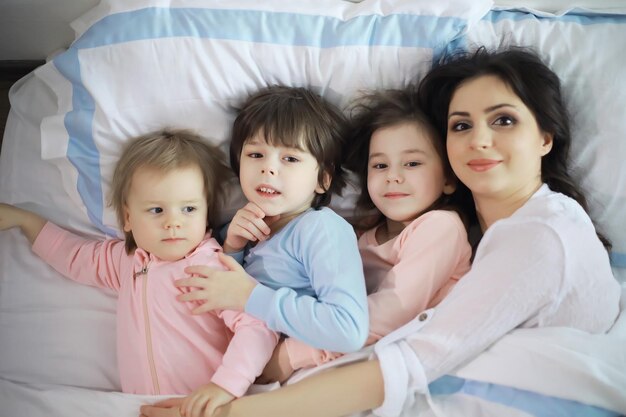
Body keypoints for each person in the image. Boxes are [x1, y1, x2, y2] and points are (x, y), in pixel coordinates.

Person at [140, 48, 621, 417]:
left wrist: (244, 400)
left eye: (504, 120)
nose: (478, 139)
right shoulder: (408, 234)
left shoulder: (540, 236)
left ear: (545, 137)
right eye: (460, 124)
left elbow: (410, 355)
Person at [0, 129, 279, 416]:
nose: (173, 223)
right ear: (129, 217)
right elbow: (73, 256)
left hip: (202, 405)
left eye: (188, 209)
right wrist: (27, 222)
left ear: (206, 213)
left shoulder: (210, 267)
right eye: (157, 210)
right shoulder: (125, 261)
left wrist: (225, 386)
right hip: (136, 407)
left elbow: (258, 328)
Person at [165, 86, 369, 416]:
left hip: (305, 385)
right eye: (256, 155)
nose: (269, 168)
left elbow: (347, 329)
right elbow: (225, 307)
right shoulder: (238, 230)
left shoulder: (321, 229)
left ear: (322, 179)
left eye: (290, 158)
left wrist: (250, 295)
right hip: (245, 380)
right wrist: (232, 248)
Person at [257, 88, 472, 384]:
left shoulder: (440, 227)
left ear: (448, 178)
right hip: (353, 351)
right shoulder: (359, 238)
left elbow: (393, 312)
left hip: (417, 356)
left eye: (412, 163)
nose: (393, 176)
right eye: (380, 165)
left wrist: (290, 355)